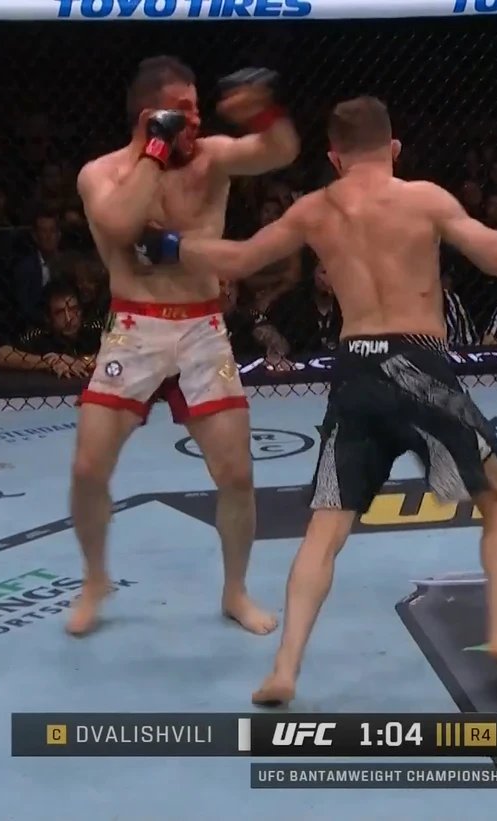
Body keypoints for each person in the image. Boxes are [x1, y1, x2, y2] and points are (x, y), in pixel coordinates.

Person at [138, 96, 497, 705]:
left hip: (354, 371)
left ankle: (285, 669)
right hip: (418, 364)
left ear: (335, 159)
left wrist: (171, 247)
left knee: (325, 529)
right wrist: (473, 231)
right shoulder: (423, 197)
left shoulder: (316, 208)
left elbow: (240, 258)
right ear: (394, 149)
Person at [68, 56, 302, 637]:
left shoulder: (212, 159)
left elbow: (281, 151)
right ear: (151, 116)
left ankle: (235, 590)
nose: (198, 119)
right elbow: (120, 227)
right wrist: (154, 149)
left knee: (237, 475)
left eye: (198, 107)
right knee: (89, 469)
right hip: (135, 328)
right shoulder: (100, 173)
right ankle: (95, 580)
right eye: (185, 110)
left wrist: (264, 111)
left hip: (201, 329)